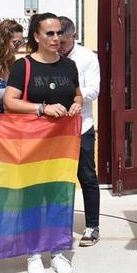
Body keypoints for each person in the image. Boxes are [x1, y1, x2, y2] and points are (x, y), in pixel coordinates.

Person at [3, 13, 82, 273]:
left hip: (62, 145)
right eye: (49, 33)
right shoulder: (22, 66)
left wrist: (78, 104)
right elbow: (10, 101)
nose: (56, 38)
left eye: (59, 33)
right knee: (33, 198)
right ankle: (34, 253)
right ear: (36, 36)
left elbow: (78, 94)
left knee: (59, 196)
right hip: (31, 143)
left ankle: (58, 251)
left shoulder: (69, 66)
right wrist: (42, 109)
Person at [57, 17, 102, 247]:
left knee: (87, 177)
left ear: (73, 36)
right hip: (53, 128)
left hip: (81, 125)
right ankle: (58, 226)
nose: (59, 46)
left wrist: (75, 98)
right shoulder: (49, 55)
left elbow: (94, 88)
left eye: (63, 42)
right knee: (57, 178)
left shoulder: (87, 57)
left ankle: (92, 225)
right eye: (55, 40)